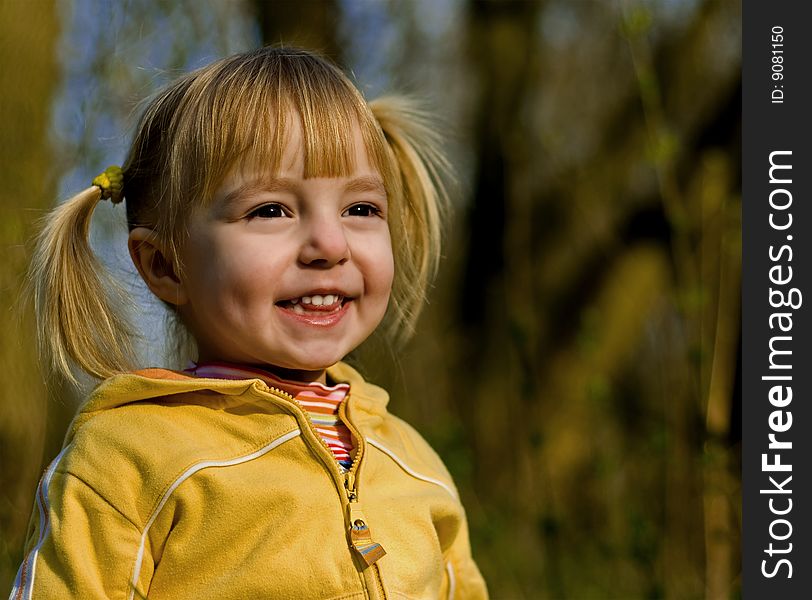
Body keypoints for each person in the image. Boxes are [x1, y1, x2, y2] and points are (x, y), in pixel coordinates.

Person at [10, 46, 488, 599]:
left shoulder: (412, 461)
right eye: (271, 211)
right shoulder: (127, 460)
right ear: (166, 265)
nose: (330, 245)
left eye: (360, 209)